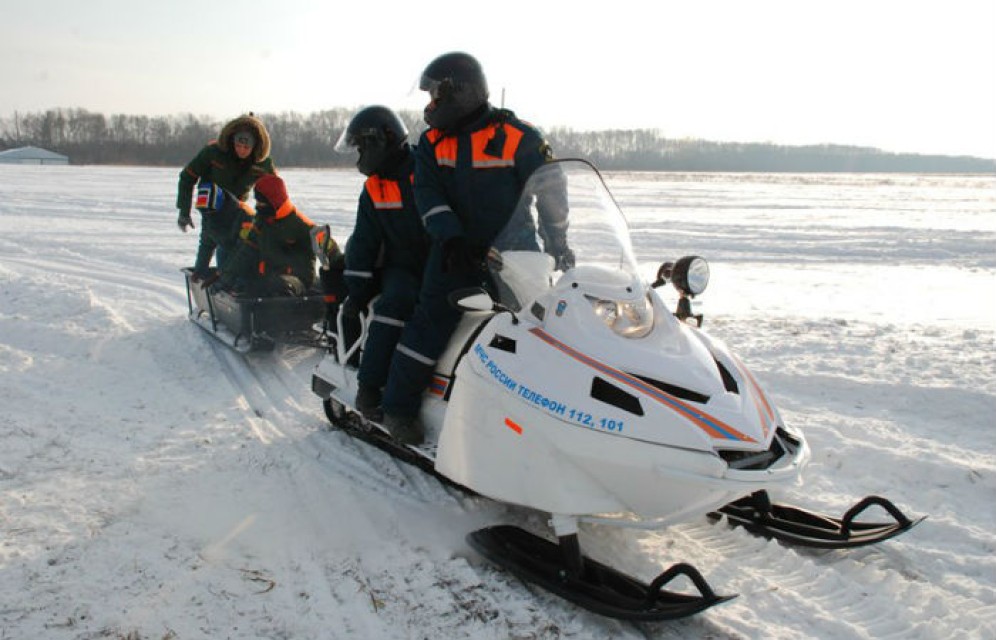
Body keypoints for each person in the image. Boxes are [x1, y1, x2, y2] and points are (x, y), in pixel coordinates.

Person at [379, 52, 572, 444]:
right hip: (455, 250)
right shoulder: (432, 143)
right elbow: (427, 194)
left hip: (515, 253)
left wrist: (560, 244)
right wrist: (450, 236)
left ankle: (555, 416)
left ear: (458, 92)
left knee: (542, 328)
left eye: (434, 96)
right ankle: (398, 410)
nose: (430, 106)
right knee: (430, 323)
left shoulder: (519, 137)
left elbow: (552, 190)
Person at [334, 105, 428, 419]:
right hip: (401, 266)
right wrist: (357, 292)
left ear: (379, 142)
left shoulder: (427, 169)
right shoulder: (374, 187)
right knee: (397, 301)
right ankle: (370, 388)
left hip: (442, 260)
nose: (360, 155)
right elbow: (363, 241)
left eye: (361, 147)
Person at [175, 114, 276, 279]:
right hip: (211, 204)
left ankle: (227, 281)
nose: (241, 150)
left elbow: (274, 191)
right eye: (238, 145)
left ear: (254, 147)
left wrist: (276, 219)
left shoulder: (262, 163)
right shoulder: (213, 153)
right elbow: (187, 177)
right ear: (232, 142)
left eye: (246, 148)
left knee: (235, 244)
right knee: (210, 239)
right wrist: (183, 211)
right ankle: (204, 279)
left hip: (236, 209)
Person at [206, 174, 331, 297]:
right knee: (244, 284)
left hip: (296, 281)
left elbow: (331, 252)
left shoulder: (302, 225)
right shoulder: (262, 221)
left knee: (277, 285)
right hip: (268, 278)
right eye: (257, 201)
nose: (257, 206)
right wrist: (224, 277)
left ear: (274, 201)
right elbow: (245, 252)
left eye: (262, 202)